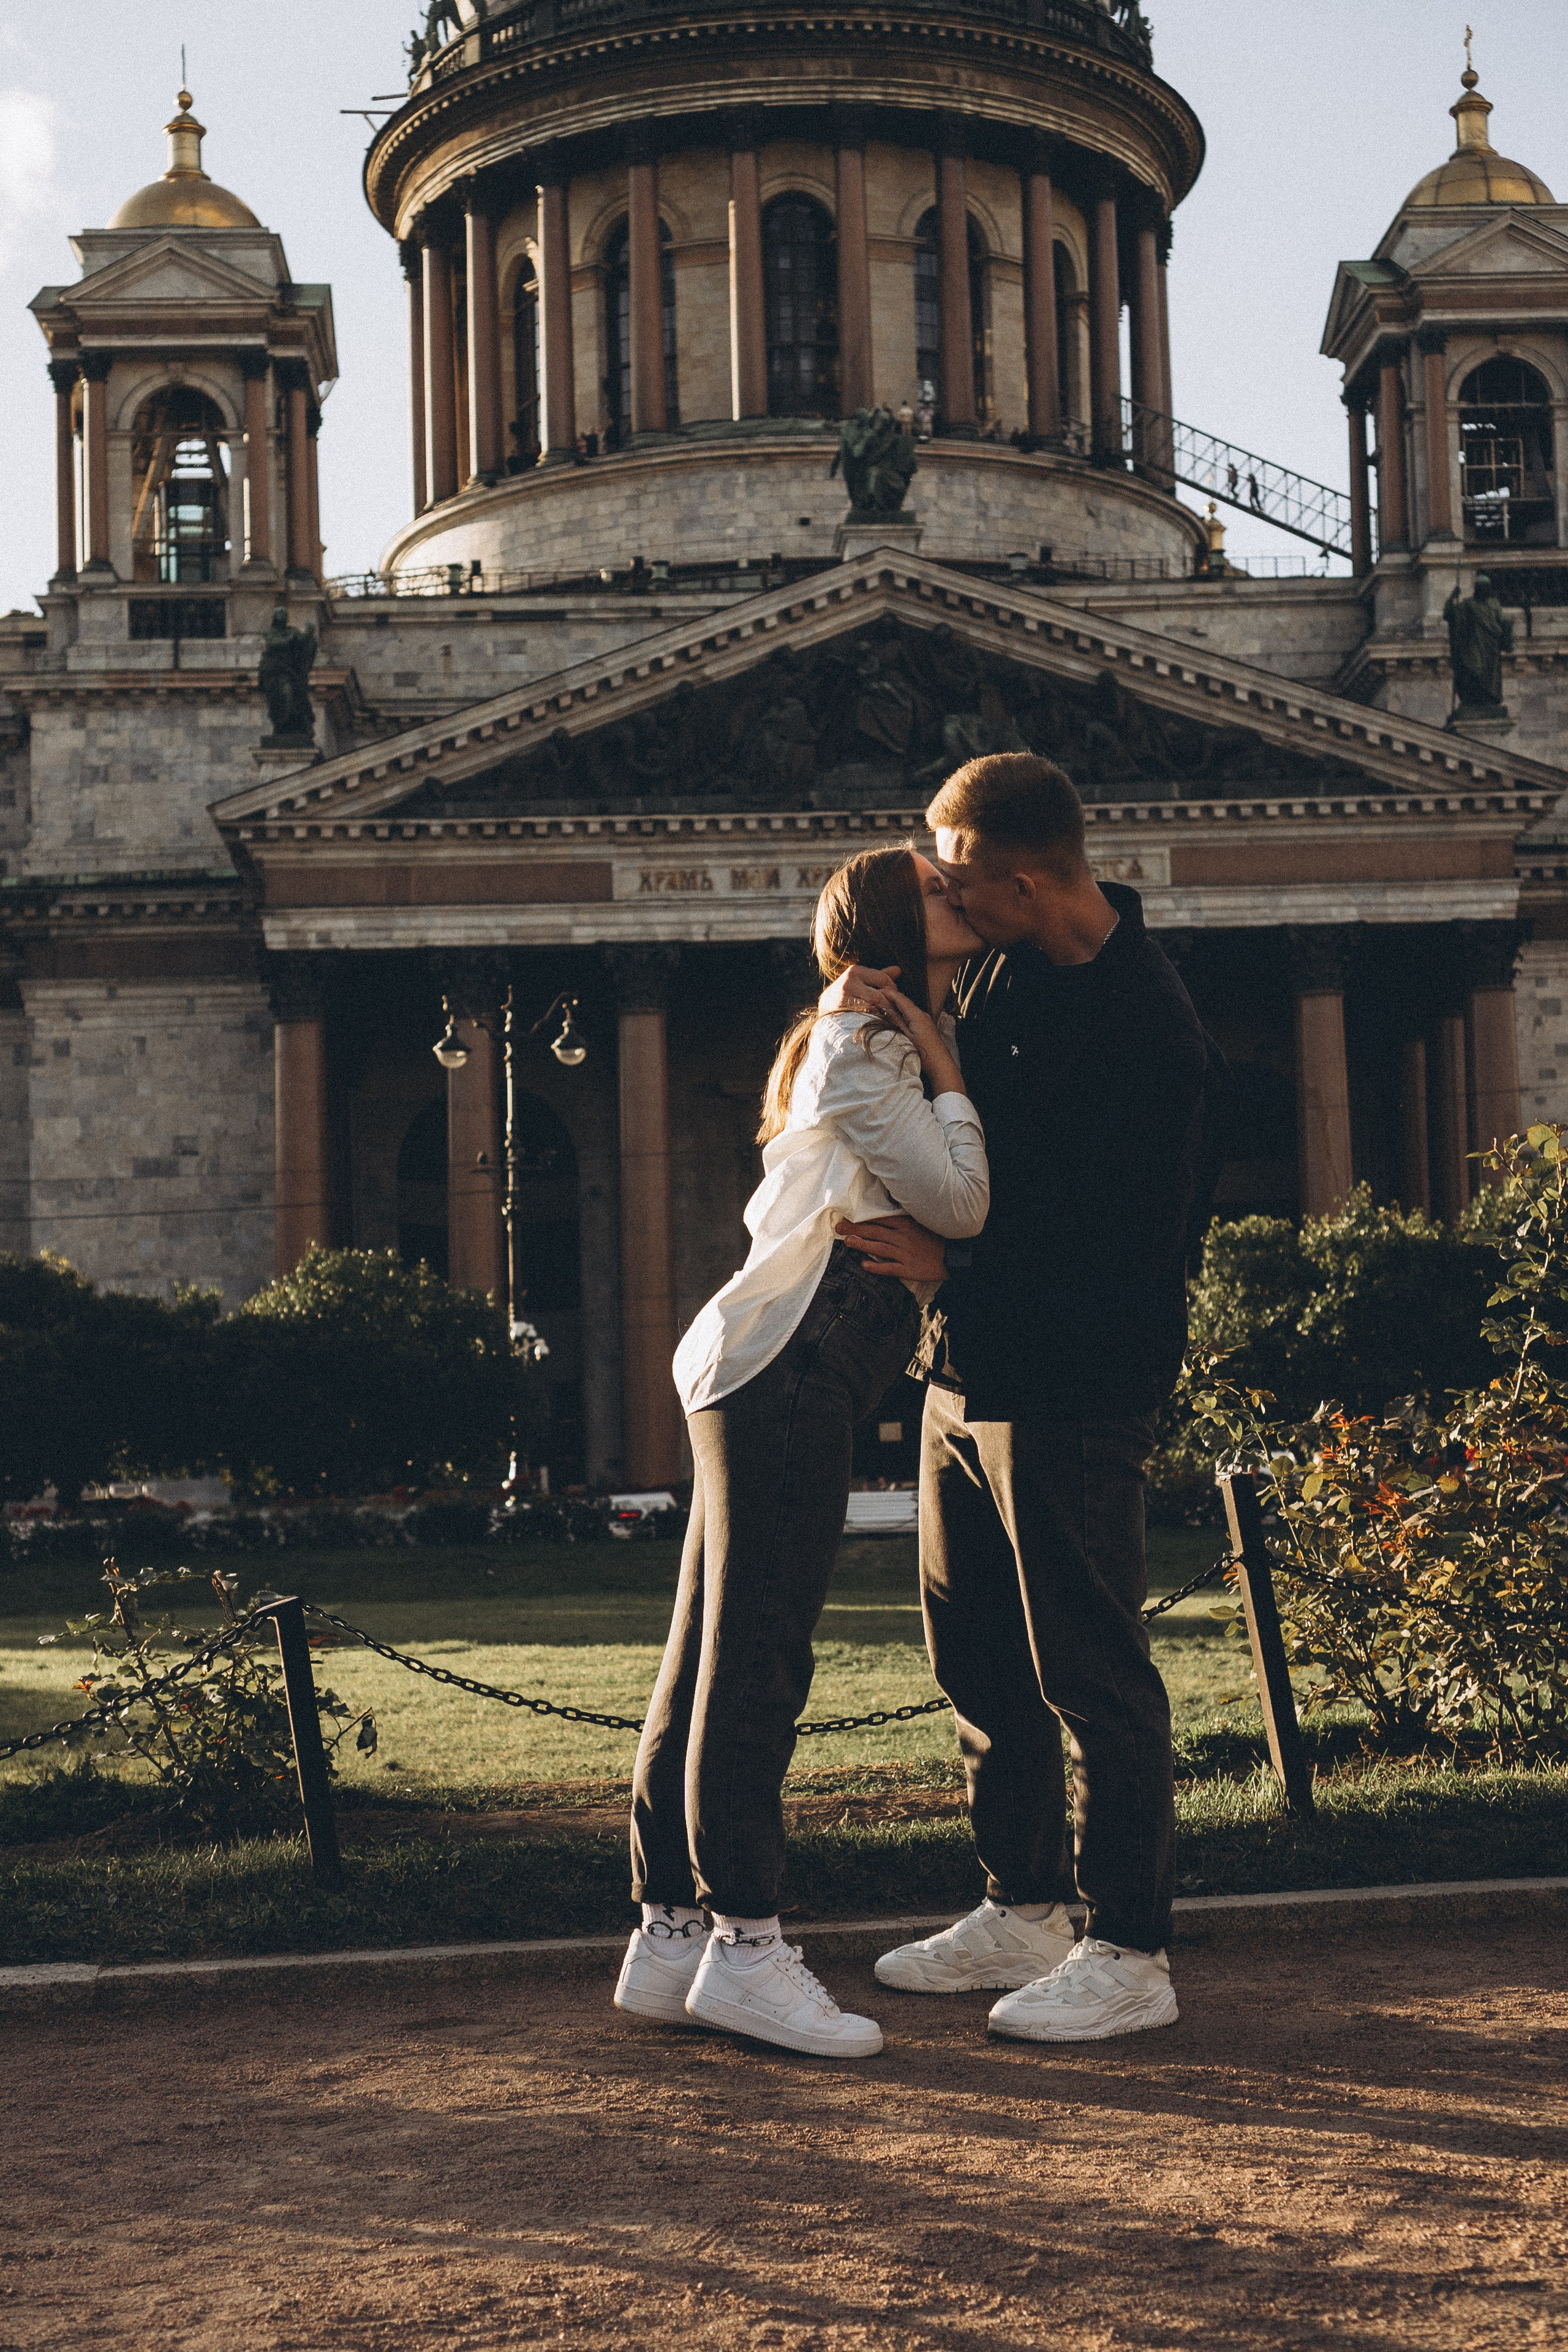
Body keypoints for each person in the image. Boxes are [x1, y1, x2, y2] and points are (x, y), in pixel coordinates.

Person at [826, 752, 1218, 2044]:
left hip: (1075, 1385)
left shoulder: (1150, 1030)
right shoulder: (999, 969)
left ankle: (1130, 1949)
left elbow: (1131, 1247)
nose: (943, 895)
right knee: (979, 1661)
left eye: (956, 879)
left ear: (1028, 883)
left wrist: (953, 1266)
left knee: (1090, 1673)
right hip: (965, 1371)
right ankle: (1023, 1906)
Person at [614, 845, 990, 2059]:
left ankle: (669, 1933)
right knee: (758, 1659)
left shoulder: (844, 1035)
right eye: (933, 887)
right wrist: (947, 1071)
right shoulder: (868, 1045)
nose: (957, 891)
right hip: (791, 1361)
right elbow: (960, 1204)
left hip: (760, 1358)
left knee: (705, 1654)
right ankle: (745, 1945)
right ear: (887, 926)